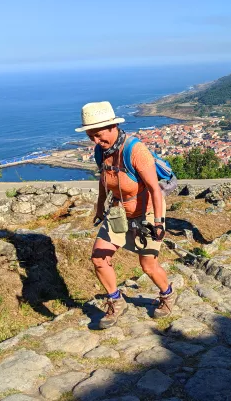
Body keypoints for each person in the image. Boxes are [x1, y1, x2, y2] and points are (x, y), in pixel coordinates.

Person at [75, 101, 176, 329]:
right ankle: (116, 301)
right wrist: (100, 208)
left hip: (146, 213)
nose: (95, 141)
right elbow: (104, 182)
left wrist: (159, 223)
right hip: (119, 213)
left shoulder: (136, 151)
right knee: (99, 258)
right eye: (91, 136)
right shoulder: (101, 151)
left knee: (148, 265)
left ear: (112, 126)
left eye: (98, 135)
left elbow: (154, 190)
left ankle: (168, 294)